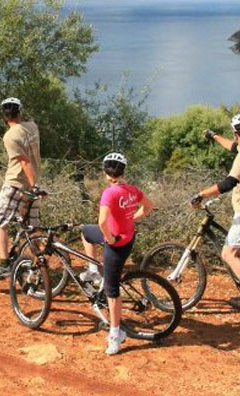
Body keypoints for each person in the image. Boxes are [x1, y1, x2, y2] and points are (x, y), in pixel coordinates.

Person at [191, 113, 240, 311]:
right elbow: (235, 147)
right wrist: (215, 136)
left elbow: (229, 183)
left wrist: (201, 194)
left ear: (236, 133)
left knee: (229, 254)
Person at [81, 152, 154, 355]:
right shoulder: (133, 190)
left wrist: (110, 238)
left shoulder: (109, 193)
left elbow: (102, 222)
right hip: (128, 238)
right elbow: (149, 206)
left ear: (106, 173)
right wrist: (132, 220)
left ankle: (115, 335)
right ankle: (93, 269)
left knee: (112, 292)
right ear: (123, 171)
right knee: (86, 232)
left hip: (116, 243)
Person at [0, 97, 41, 280]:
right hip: (34, 181)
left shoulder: (10, 136)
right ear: (20, 112)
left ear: (3, 116)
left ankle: (4, 264)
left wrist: (33, 186)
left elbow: (23, 162)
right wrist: (36, 186)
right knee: (31, 226)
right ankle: (40, 266)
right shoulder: (32, 126)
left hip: (16, 183)